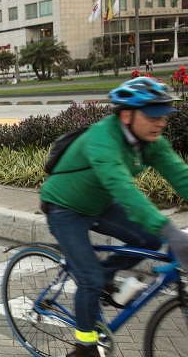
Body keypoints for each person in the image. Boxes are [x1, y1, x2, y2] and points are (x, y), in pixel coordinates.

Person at [40, 77, 188, 357]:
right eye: (153, 115)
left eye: (164, 115)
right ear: (126, 114)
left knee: (149, 239)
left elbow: (181, 176)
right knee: (90, 280)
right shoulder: (101, 137)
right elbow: (122, 186)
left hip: (100, 204)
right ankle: (84, 345)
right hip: (65, 208)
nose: (162, 122)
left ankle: (104, 276)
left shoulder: (150, 141)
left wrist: (163, 232)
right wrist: (170, 230)